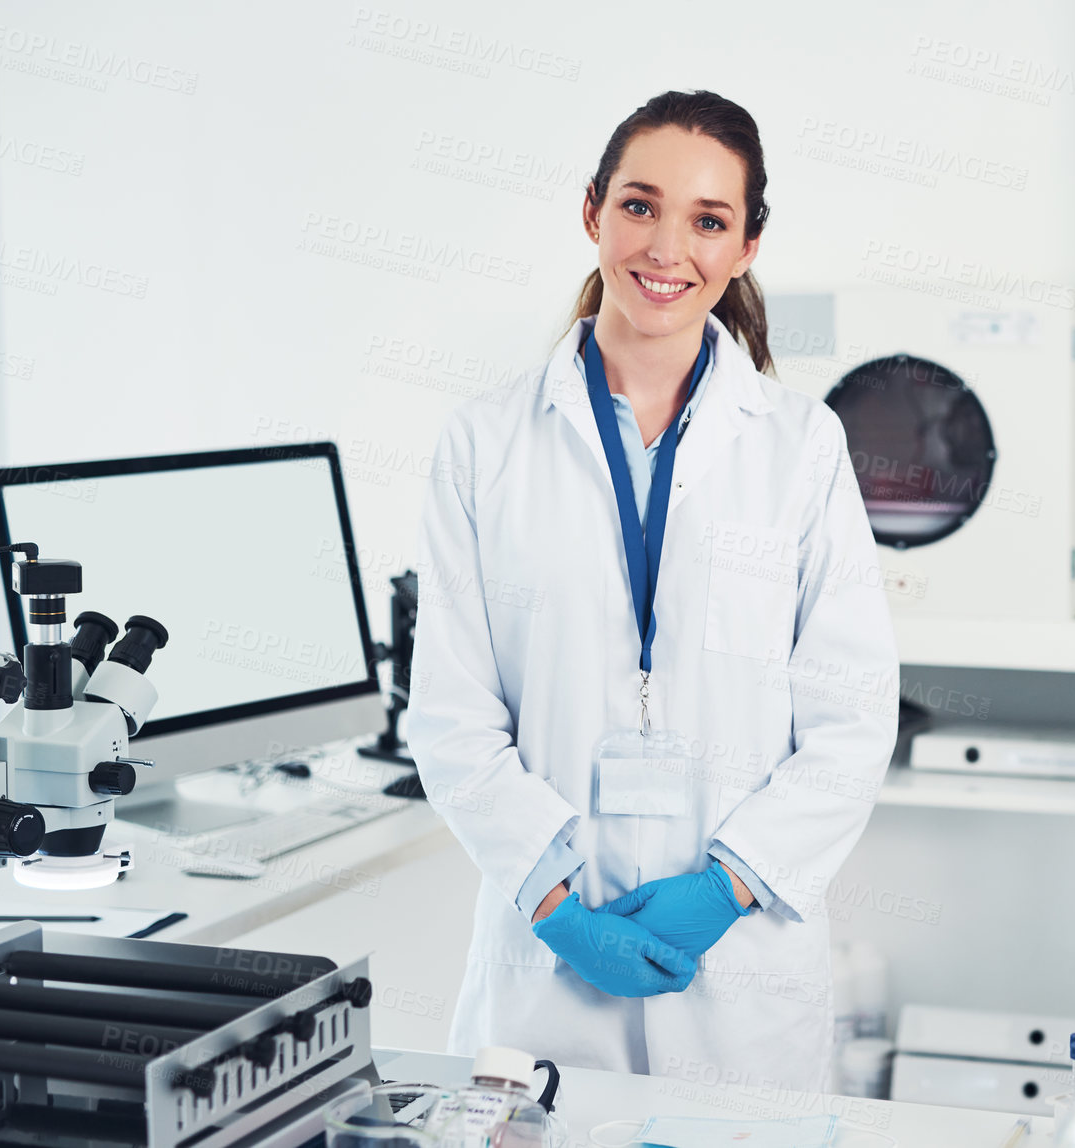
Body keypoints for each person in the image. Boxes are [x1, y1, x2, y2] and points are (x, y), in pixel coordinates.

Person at [403, 90, 898, 1092]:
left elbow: (851, 716)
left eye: (708, 220)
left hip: (739, 981)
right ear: (592, 212)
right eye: (640, 206)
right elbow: (452, 717)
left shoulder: (800, 447)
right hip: (544, 975)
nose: (667, 247)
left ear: (747, 244)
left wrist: (729, 884)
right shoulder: (486, 443)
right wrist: (554, 905)